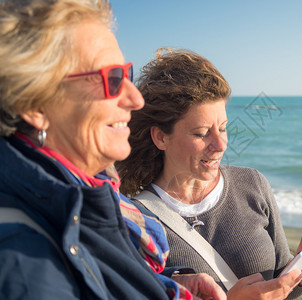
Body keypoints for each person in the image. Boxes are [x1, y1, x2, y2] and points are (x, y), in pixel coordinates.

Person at [0, 1, 226, 299]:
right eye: (111, 80)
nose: (135, 99)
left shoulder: (90, 194)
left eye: (126, 74)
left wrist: (167, 285)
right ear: (34, 104)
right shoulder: (24, 259)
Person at [116, 48, 302, 299]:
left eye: (223, 128)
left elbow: (279, 287)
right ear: (161, 137)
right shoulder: (134, 220)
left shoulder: (253, 184)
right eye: (201, 133)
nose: (220, 145)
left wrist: (300, 278)